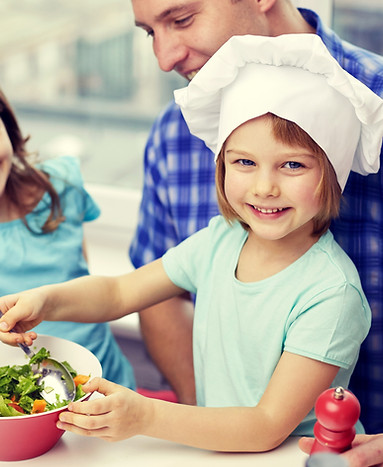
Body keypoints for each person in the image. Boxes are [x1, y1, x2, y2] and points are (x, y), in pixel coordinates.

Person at [0, 34, 382, 453]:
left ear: (333, 172)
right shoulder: (222, 239)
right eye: (244, 162)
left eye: (292, 164)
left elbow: (265, 425)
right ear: (221, 165)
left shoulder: (331, 294)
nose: (264, 186)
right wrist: (46, 302)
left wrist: (145, 415)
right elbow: (119, 291)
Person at [129, 0, 383, 438]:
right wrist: (213, 432)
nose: (164, 58)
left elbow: (268, 424)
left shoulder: (333, 288)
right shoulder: (176, 132)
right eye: (150, 32)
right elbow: (152, 294)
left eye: (182, 19)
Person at [0, 87, 135, 389]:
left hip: (109, 382)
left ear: (6, 124)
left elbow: (82, 281)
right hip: (21, 400)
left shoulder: (62, 184)